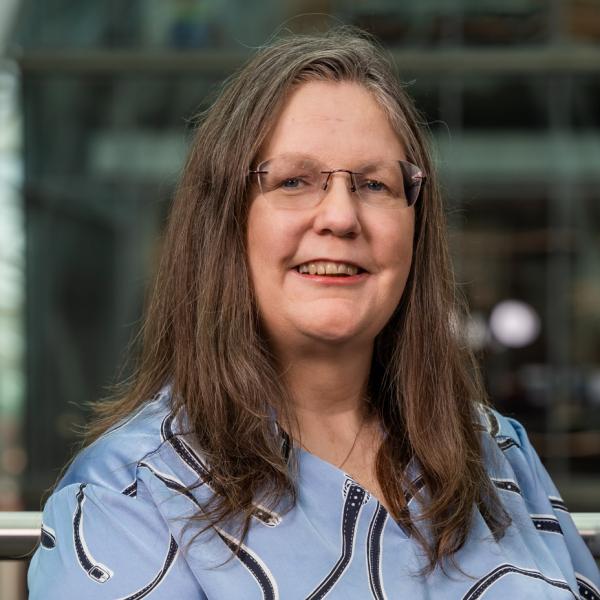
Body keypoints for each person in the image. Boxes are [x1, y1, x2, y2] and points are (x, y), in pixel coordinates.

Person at [28, 28, 599, 599]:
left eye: (375, 183)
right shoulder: (129, 495)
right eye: (294, 181)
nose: (341, 216)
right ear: (225, 221)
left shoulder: (497, 451)